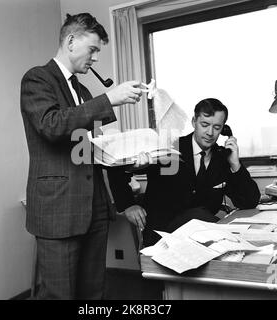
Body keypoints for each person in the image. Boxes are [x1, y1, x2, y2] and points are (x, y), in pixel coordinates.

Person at [20, 13, 144, 300]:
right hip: (59, 209)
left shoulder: (84, 90)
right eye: (94, 49)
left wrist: (131, 155)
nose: (96, 58)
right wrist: (109, 98)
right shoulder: (37, 78)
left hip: (95, 209)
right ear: (71, 41)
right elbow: (51, 125)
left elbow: (93, 147)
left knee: (93, 293)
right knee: (59, 295)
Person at [108, 98, 260, 246]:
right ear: (194, 122)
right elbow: (115, 167)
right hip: (163, 236)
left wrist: (235, 164)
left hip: (201, 240)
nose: (210, 132)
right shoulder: (167, 148)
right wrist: (128, 205)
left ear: (223, 129)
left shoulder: (222, 158)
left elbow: (249, 201)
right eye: (205, 124)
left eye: (217, 127)